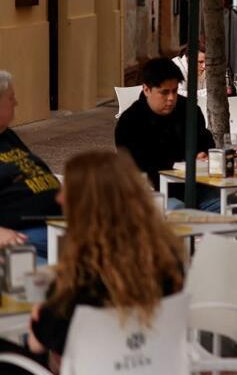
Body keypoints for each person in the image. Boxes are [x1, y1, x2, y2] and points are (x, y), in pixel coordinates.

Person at [4, 151, 185, 374]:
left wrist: (39, 314)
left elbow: (36, 344)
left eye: (67, 191)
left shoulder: (76, 284)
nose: (59, 199)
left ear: (85, 202)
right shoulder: (170, 263)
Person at [114, 57, 221, 212]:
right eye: (164, 93)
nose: (171, 98)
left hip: (197, 187)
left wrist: (203, 154)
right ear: (146, 90)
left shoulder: (189, 109)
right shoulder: (130, 122)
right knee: (179, 213)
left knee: (234, 211)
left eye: (175, 91)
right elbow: (136, 169)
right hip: (154, 194)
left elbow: (206, 141)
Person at [0, 70, 61, 263]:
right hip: (23, 236)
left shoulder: (7, 136)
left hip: (57, 225)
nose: (16, 103)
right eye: (11, 98)